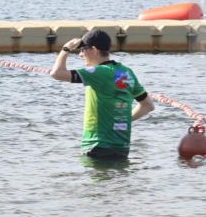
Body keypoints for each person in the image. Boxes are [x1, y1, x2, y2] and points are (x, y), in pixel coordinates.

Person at [49, 29, 154, 159]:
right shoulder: (126, 72)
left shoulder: (98, 72)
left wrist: (66, 49)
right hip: (122, 146)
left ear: (94, 50)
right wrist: (124, 120)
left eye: (82, 50)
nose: (80, 55)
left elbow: (57, 73)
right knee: (118, 179)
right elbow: (148, 105)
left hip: (96, 145)